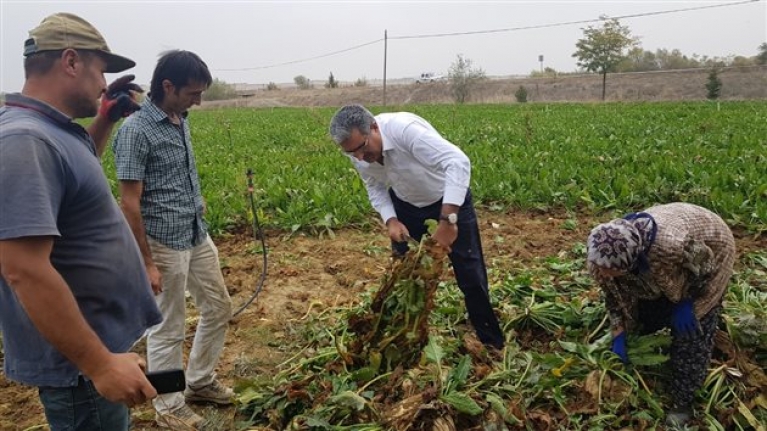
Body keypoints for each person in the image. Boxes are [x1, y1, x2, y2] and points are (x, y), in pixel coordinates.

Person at [0, 12, 162, 431]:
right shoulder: (25, 141)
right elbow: (23, 269)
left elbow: (70, 176)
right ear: (71, 62)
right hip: (80, 367)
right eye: (100, 71)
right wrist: (100, 364)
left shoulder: (51, 132)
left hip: (92, 353)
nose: (104, 84)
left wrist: (104, 118)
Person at [112, 50, 234, 429]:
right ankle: (168, 405)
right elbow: (129, 203)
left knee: (218, 306)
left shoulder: (179, 118)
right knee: (168, 324)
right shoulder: (135, 131)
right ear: (168, 86)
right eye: (192, 93)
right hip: (162, 241)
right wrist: (147, 262)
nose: (198, 100)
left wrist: (194, 197)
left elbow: (177, 172)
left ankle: (198, 381)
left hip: (195, 232)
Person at [328, 104, 505, 350]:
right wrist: (391, 220)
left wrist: (448, 220)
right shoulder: (358, 152)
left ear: (374, 127)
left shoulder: (406, 131)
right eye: (351, 153)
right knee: (405, 276)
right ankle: (406, 340)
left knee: (470, 274)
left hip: (449, 202)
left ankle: (491, 342)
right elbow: (375, 186)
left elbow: (458, 161)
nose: (359, 158)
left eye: (362, 148)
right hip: (406, 205)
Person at [586, 202, 736, 427]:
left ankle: (683, 400)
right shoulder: (601, 258)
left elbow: (706, 267)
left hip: (712, 249)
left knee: (691, 330)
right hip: (669, 257)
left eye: (611, 270)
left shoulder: (670, 246)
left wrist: (687, 301)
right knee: (645, 313)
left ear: (631, 263)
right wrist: (618, 334)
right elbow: (614, 297)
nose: (603, 273)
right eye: (601, 268)